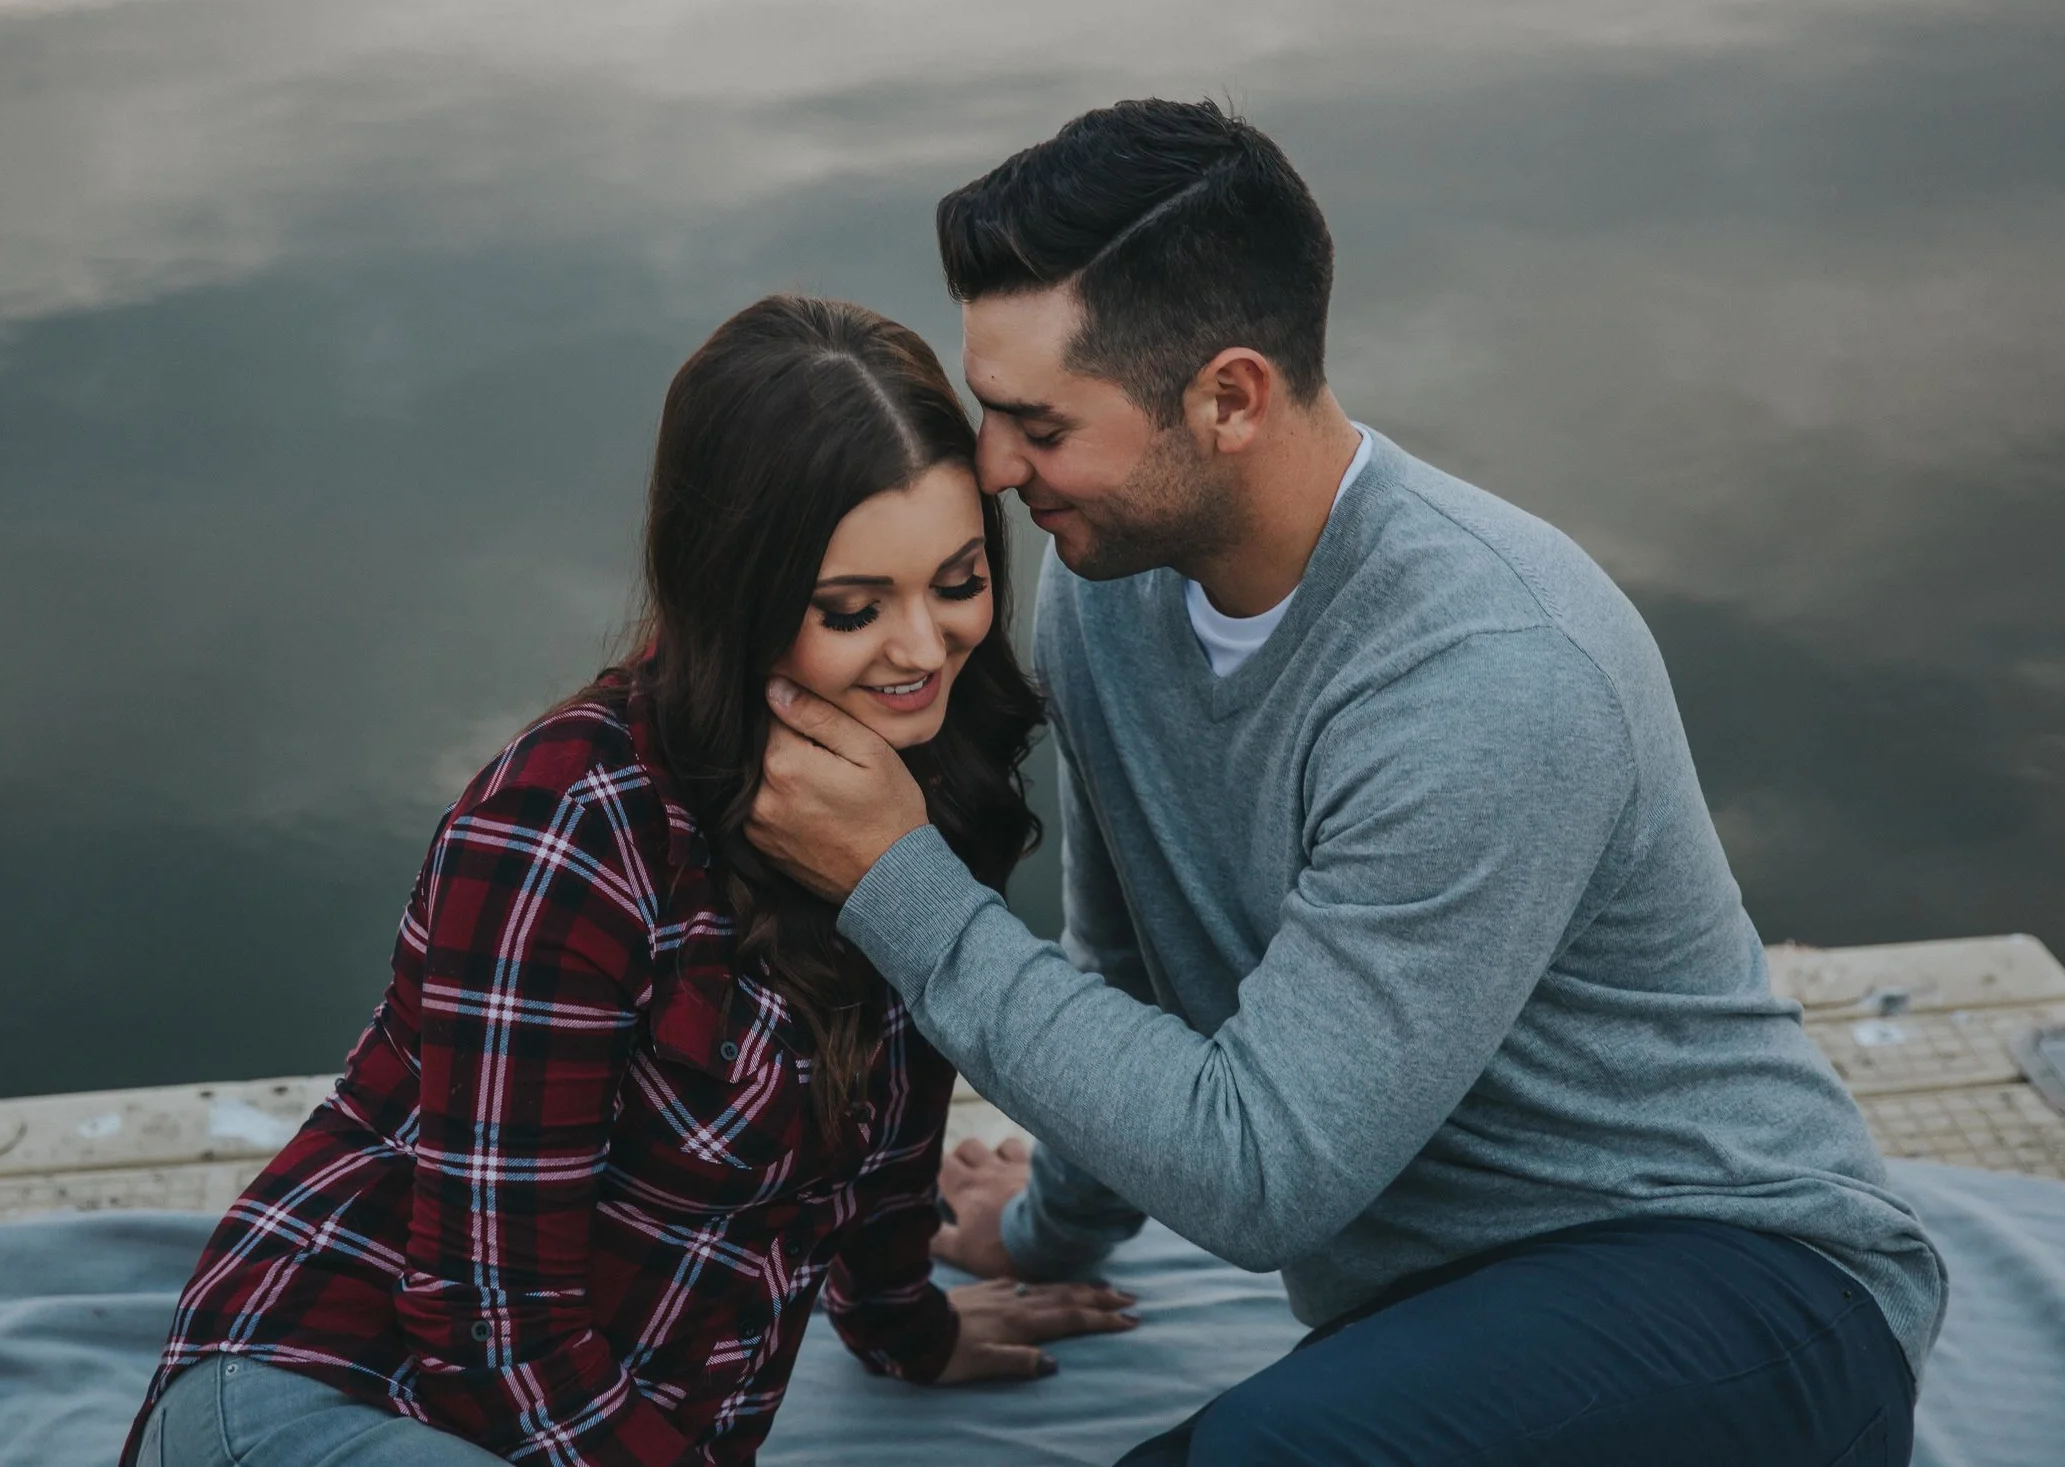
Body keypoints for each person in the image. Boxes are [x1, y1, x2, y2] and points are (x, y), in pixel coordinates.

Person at [744, 100, 1949, 1467]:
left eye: (1039, 424)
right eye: (989, 414)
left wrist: (898, 885)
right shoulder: (1109, 594)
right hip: (1440, 1318)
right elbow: (1126, 968)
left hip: (1737, 1288)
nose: (994, 470)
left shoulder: (1489, 675)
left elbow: (1264, 1176)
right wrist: (1045, 1229)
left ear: (1232, 397)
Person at [124, 295, 1137, 1467]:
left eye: (957, 580)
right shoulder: (562, 832)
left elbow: (885, 1125)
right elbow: (492, 1326)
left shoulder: (918, 774)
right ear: (735, 591)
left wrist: (905, 1326)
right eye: (851, 609)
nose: (921, 649)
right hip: (341, 1390)